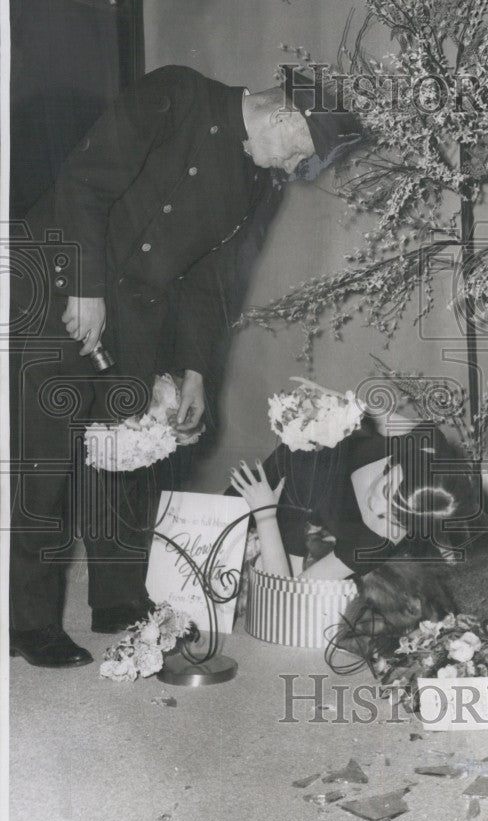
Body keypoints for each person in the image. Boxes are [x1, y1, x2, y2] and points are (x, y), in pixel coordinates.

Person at [9, 65, 361, 668]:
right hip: (62, 277)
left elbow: (211, 281)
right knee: (46, 458)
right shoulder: (172, 95)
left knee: (126, 456)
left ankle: (116, 600)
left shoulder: (259, 183)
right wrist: (86, 289)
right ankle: (31, 623)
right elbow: (82, 184)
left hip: (138, 309)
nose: (289, 171)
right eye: (297, 153)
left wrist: (194, 368)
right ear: (284, 115)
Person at [229, 380, 488, 651]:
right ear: (400, 461)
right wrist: (337, 403)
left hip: (288, 512)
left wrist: (265, 515)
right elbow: (368, 412)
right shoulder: (426, 442)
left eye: (396, 519)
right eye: (387, 490)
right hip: (288, 460)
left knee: (223, 561)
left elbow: (285, 597)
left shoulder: (373, 542)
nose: (377, 508)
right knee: (209, 517)